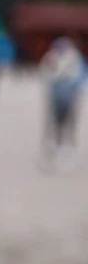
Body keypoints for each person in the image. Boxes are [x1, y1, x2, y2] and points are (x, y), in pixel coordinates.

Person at [40, 37, 86, 170]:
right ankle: (54, 144)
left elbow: (79, 75)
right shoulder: (50, 57)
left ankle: (69, 145)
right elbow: (45, 74)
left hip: (71, 95)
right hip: (55, 94)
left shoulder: (74, 57)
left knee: (70, 121)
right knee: (55, 121)